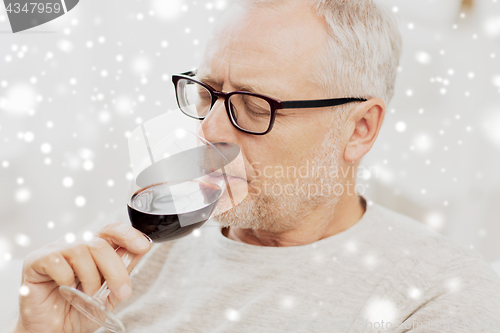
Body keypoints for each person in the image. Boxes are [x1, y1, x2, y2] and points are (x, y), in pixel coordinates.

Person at [11, 0, 500, 332]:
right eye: (208, 94)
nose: (210, 131)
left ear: (360, 129)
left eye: (254, 105)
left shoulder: (439, 297)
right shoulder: (127, 264)